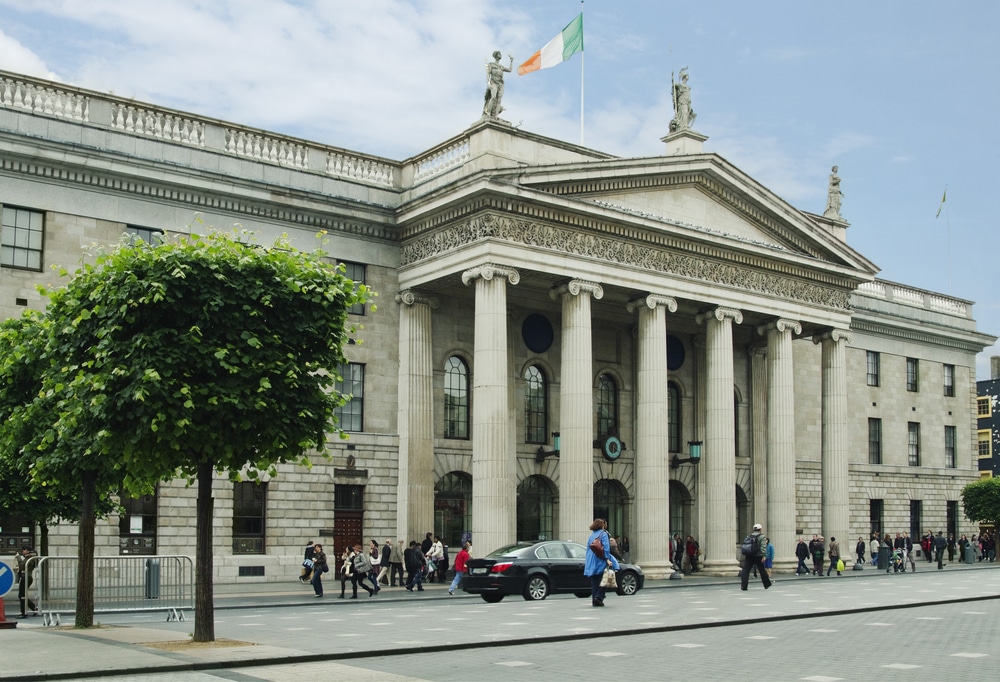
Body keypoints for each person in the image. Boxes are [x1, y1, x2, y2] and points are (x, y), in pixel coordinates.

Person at [585, 518, 619, 607]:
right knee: (605, 579)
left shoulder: (591, 535)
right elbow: (606, 548)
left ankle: (594, 600)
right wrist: (607, 559)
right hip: (600, 559)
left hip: (591, 560)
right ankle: (599, 597)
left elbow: (588, 549)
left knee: (594, 581)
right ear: (602, 525)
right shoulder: (603, 534)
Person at [740, 523, 771, 591]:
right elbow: (763, 547)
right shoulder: (762, 537)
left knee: (745, 570)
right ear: (760, 529)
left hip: (749, 555)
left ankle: (743, 585)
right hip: (758, 555)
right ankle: (767, 584)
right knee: (761, 570)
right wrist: (764, 556)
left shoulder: (749, 536)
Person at [483, 51, 513, 119]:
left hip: (501, 84)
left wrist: (511, 61)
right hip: (493, 82)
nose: (500, 55)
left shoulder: (501, 66)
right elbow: (488, 74)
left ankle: (496, 115)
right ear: (496, 55)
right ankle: (488, 113)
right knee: (493, 97)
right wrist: (488, 84)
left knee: (499, 100)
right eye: (499, 54)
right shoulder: (491, 64)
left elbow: (510, 70)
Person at [669, 67, 696, 132]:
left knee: (688, 113)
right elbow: (674, 85)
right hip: (682, 101)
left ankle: (685, 125)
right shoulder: (680, 85)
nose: (688, 77)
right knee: (684, 112)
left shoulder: (688, 87)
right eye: (687, 76)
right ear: (684, 77)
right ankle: (684, 126)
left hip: (687, 101)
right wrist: (672, 77)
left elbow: (688, 95)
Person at [14, 546, 38, 618]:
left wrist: (18, 557)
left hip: (26, 577)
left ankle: (24, 613)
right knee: (22, 595)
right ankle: (34, 608)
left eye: (23, 550)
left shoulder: (30, 558)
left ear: (27, 550)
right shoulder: (30, 557)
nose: (22, 552)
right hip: (26, 577)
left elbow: (22, 566)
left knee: (22, 596)